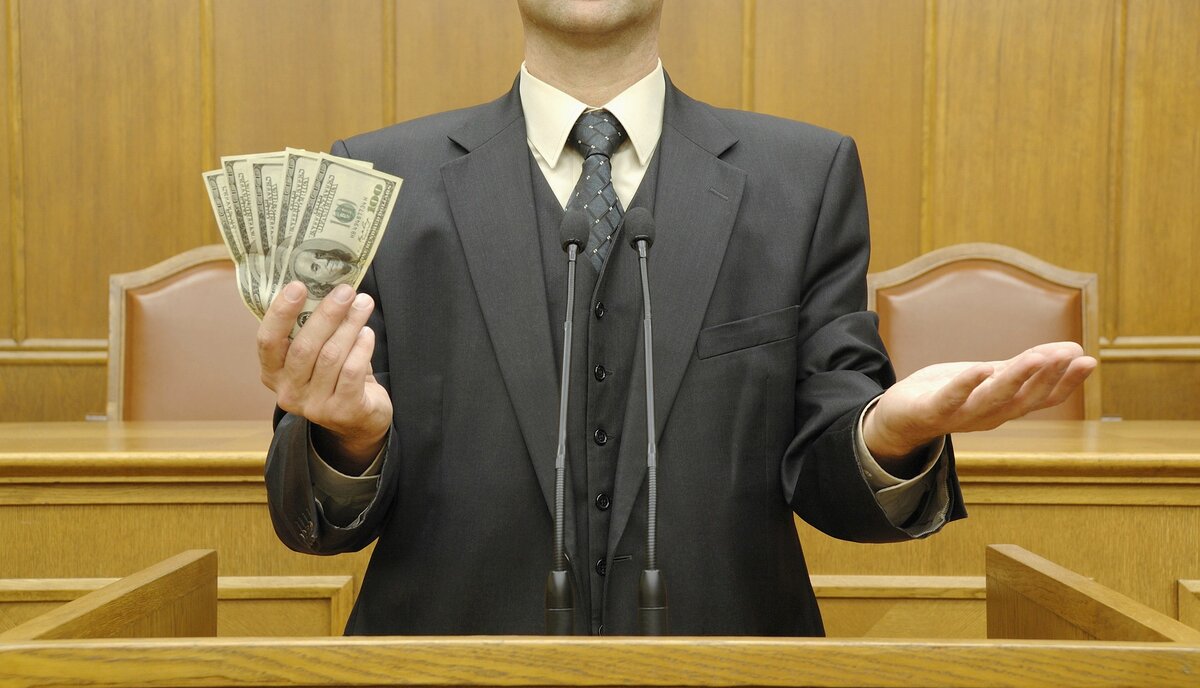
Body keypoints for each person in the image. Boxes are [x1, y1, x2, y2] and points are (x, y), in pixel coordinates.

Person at [257, 0, 1095, 636]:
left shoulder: (806, 178)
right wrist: (347, 441)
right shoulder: (374, 178)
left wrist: (889, 436)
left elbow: (829, 462)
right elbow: (312, 520)